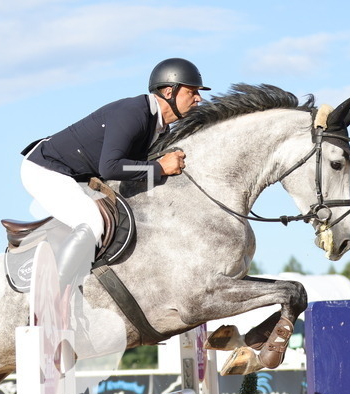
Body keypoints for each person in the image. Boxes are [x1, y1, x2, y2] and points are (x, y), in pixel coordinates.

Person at [20, 58, 210, 286]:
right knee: (92, 221)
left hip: (78, 177)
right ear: (169, 91)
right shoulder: (133, 113)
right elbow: (109, 167)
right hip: (46, 170)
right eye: (193, 91)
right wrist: (160, 167)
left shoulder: (159, 127)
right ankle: (53, 292)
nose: (199, 98)